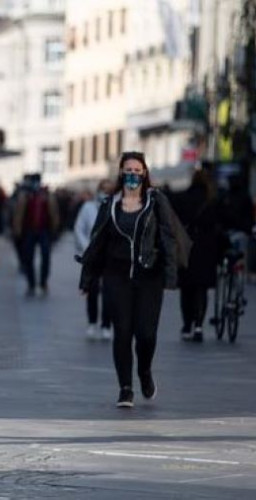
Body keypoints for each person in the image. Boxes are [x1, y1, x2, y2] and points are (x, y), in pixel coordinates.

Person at [79, 151, 180, 408]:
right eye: (128, 170)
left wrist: (170, 275)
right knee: (122, 332)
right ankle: (125, 388)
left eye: (137, 170)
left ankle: (144, 371)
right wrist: (87, 278)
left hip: (149, 276)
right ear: (121, 173)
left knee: (146, 334)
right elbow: (97, 242)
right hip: (117, 277)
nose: (133, 175)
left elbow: (168, 237)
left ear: (144, 173)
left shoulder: (156, 201)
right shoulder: (109, 204)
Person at [172, 169, 221, 342]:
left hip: (187, 246)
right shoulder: (213, 200)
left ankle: (187, 325)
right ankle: (199, 325)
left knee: (186, 289)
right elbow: (220, 222)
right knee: (201, 288)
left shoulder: (183, 197)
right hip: (207, 248)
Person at [74, 179, 115, 341]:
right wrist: (87, 248)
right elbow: (79, 228)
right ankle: (92, 322)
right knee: (92, 289)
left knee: (109, 291)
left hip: (110, 255)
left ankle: (106, 325)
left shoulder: (116, 206)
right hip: (93, 255)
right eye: (103, 189)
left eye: (108, 190)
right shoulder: (88, 207)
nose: (105, 192)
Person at [12, 173, 60, 296]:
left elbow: (54, 212)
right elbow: (18, 213)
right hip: (29, 230)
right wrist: (17, 230)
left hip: (44, 230)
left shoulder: (47, 195)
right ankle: (31, 283)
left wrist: (55, 229)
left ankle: (43, 282)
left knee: (46, 256)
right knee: (28, 257)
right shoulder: (25, 195)